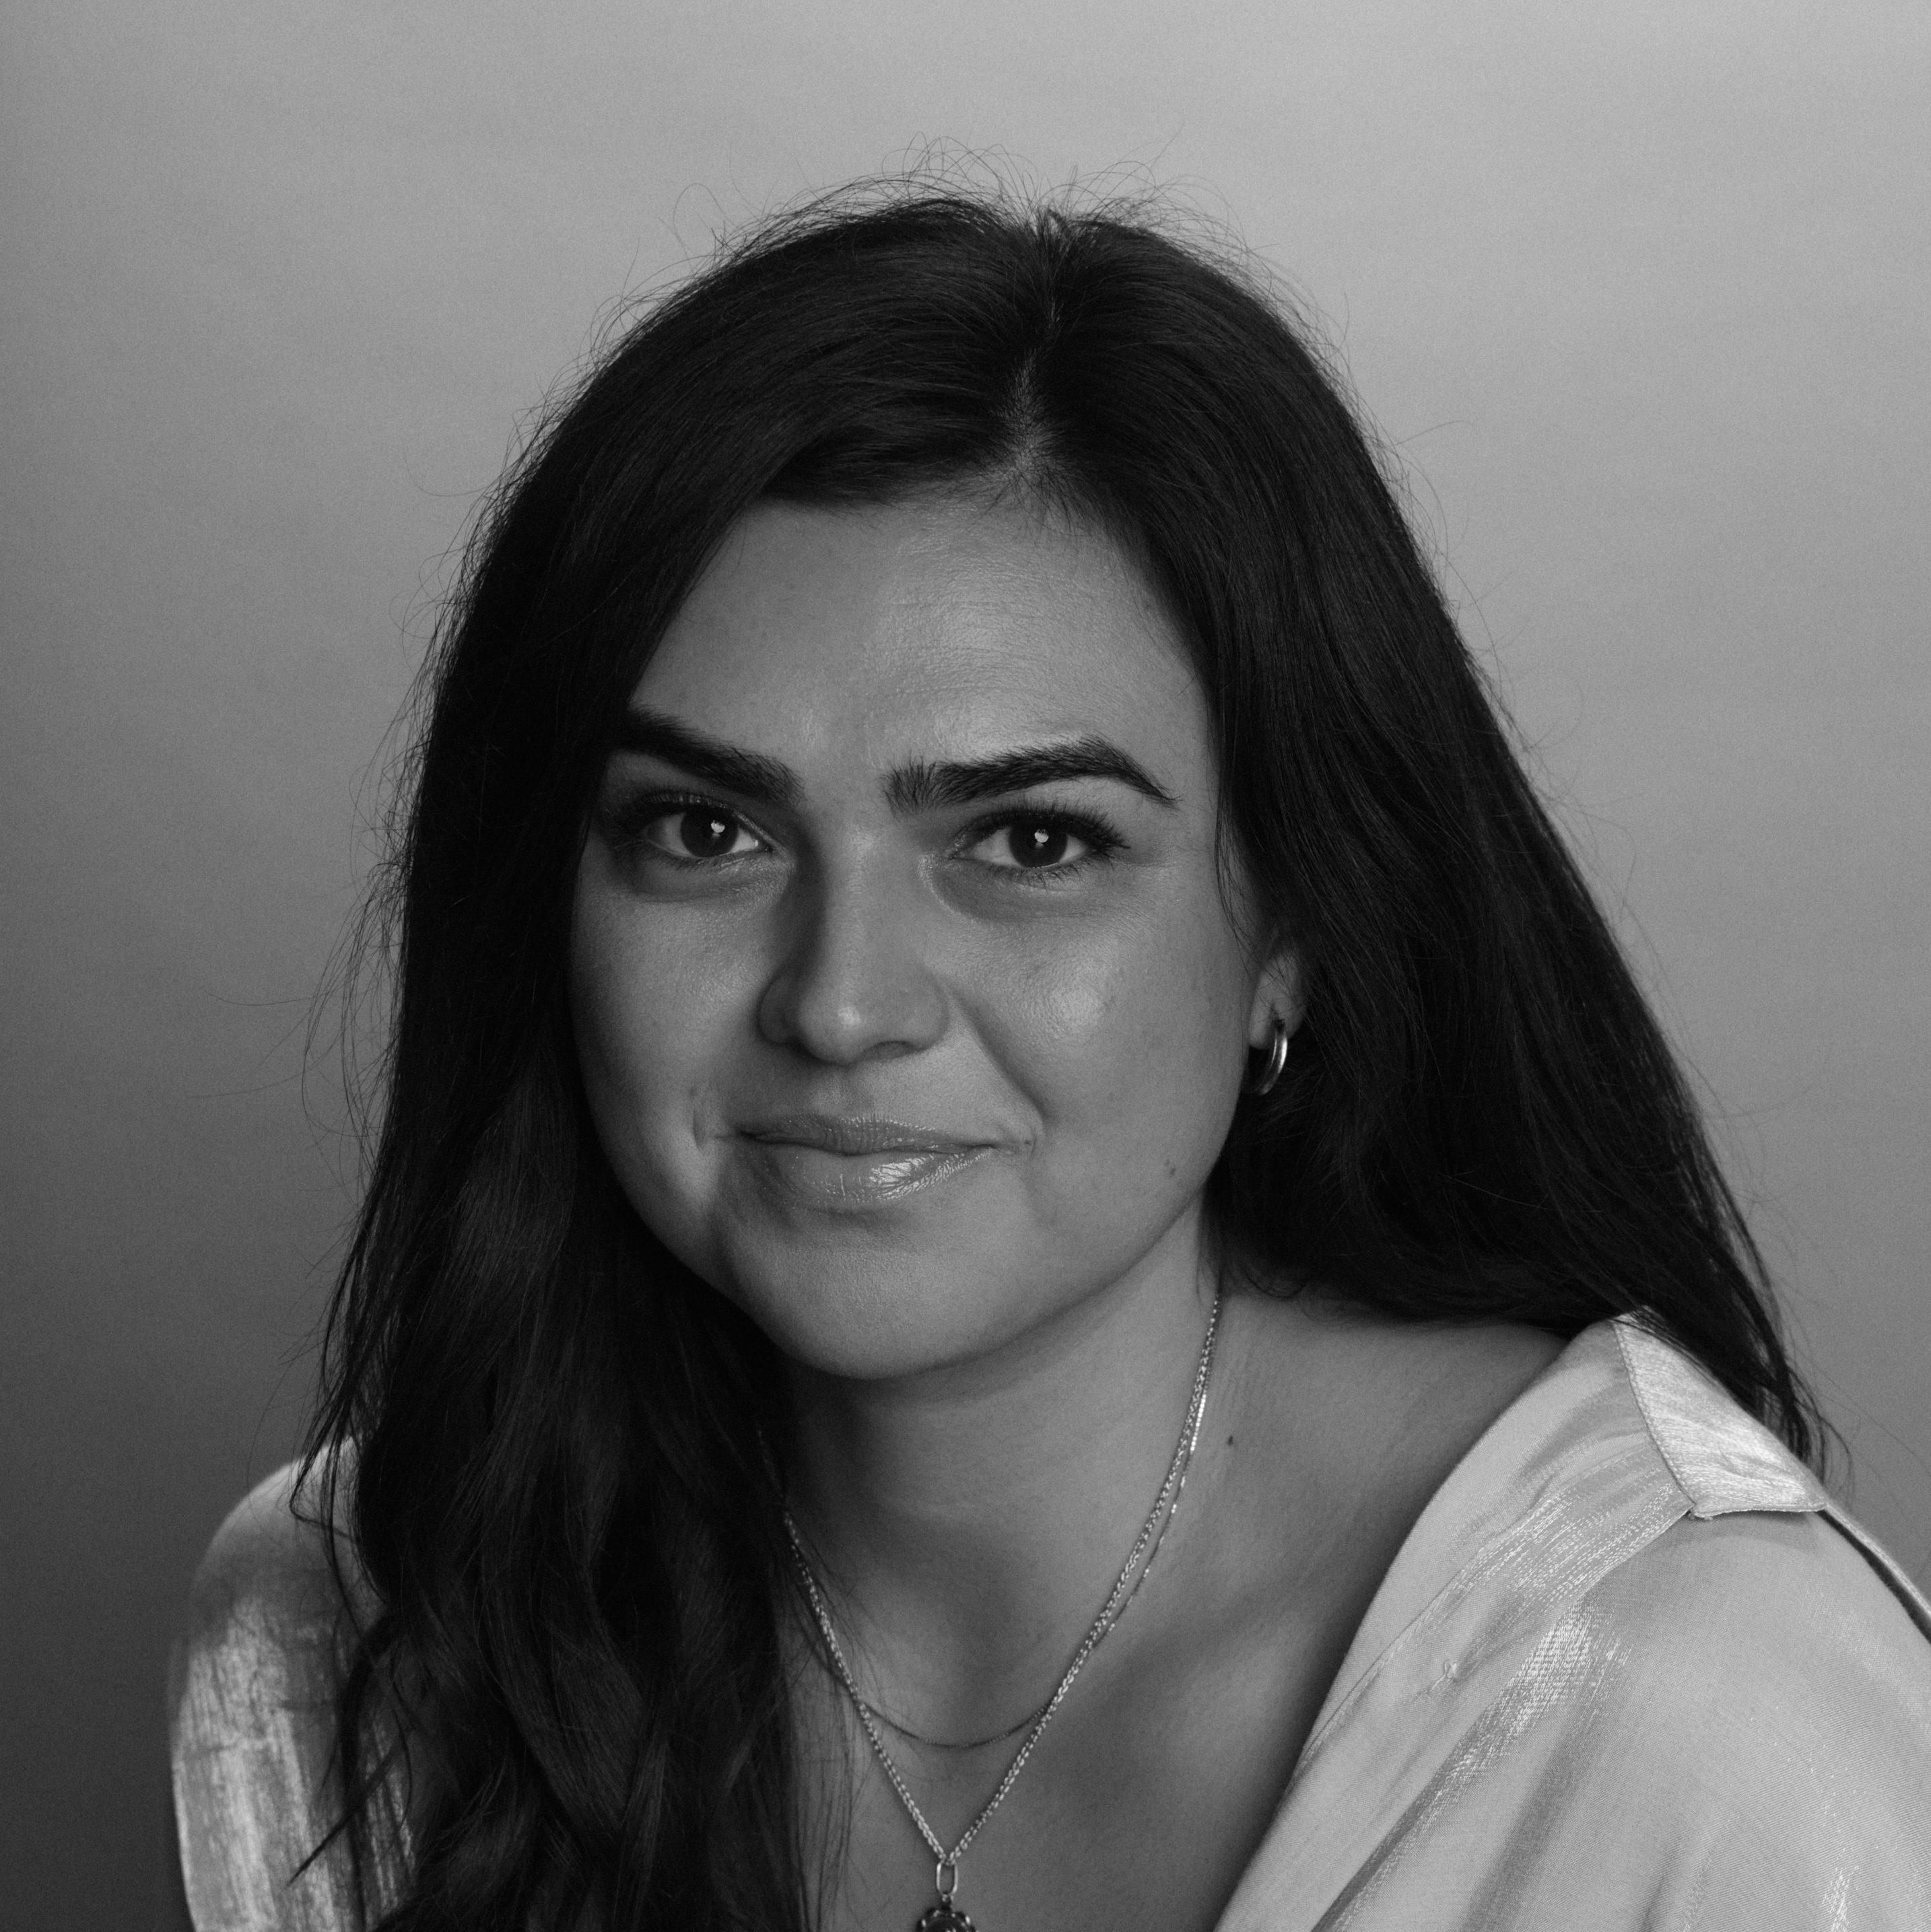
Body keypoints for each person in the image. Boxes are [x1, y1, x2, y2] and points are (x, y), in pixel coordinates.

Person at [167, 184, 1931, 1932]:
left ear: (1294, 931)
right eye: (707, 831)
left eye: (1029, 843)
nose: (840, 1004)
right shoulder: (351, 1638)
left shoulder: (1702, 1724)